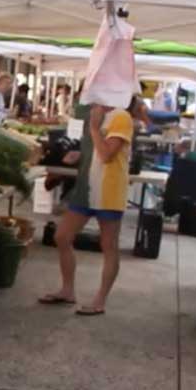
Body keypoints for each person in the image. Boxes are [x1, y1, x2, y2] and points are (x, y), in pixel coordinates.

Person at [39, 95, 142, 317]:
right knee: (62, 236)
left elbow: (106, 155)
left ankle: (99, 300)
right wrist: (81, 155)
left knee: (108, 245)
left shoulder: (121, 117)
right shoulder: (96, 115)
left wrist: (94, 129)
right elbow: (96, 151)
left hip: (109, 190)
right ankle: (67, 290)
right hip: (87, 188)